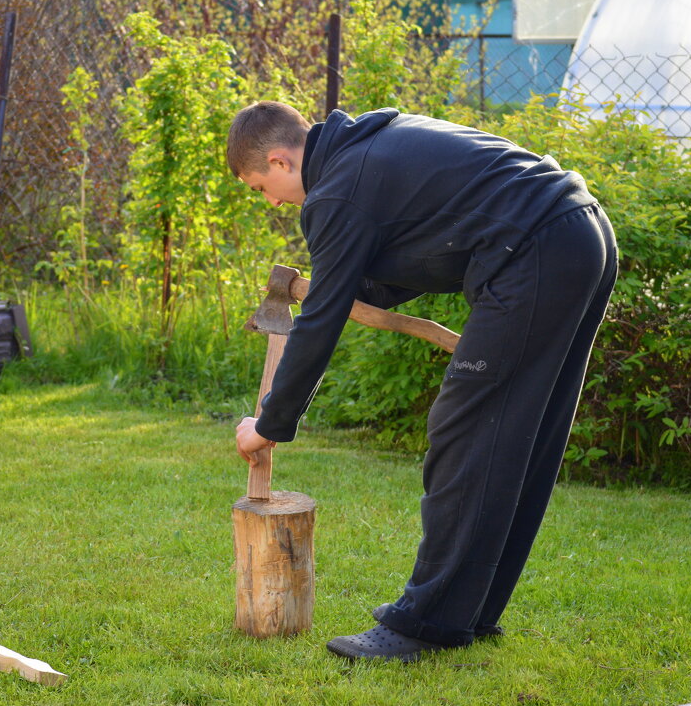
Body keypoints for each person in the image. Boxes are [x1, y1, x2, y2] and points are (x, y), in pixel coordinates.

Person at [225, 101, 618, 662]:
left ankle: (424, 625)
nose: (273, 202)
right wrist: (338, 286)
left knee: (465, 433)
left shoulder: (337, 188)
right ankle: (468, 614)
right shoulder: (368, 148)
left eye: (263, 186)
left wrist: (270, 423)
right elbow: (415, 249)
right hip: (581, 232)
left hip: (535, 249)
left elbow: (317, 329)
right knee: (516, 440)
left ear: (281, 160)